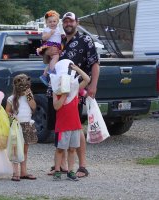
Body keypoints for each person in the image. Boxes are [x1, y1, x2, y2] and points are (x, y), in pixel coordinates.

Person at [47, 11, 100, 178]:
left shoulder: (85, 40)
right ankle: (60, 166)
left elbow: (95, 64)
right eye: (66, 21)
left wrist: (93, 85)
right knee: (60, 127)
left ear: (77, 22)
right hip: (55, 89)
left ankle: (82, 166)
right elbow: (48, 61)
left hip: (74, 89)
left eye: (71, 21)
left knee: (75, 126)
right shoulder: (59, 40)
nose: (68, 24)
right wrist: (47, 53)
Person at [52, 63, 91, 181]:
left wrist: (76, 69)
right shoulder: (56, 92)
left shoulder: (75, 90)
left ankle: (70, 171)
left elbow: (87, 79)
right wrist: (64, 95)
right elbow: (56, 107)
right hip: (62, 126)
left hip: (74, 125)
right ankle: (57, 170)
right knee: (60, 149)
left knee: (72, 149)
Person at [6, 74, 38, 181]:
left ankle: (24, 172)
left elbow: (33, 107)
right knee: (16, 149)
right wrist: (12, 117)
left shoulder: (28, 96)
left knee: (24, 150)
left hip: (27, 125)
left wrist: (29, 95)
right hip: (17, 127)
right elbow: (7, 111)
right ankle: (15, 173)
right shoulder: (11, 98)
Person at [37, 10, 65, 86]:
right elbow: (44, 38)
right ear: (46, 22)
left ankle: (44, 75)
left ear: (57, 21)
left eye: (54, 21)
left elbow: (62, 36)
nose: (52, 23)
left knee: (51, 62)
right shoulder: (47, 29)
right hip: (51, 45)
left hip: (58, 46)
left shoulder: (59, 29)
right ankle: (53, 71)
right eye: (50, 22)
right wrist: (50, 33)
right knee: (56, 57)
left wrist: (63, 36)